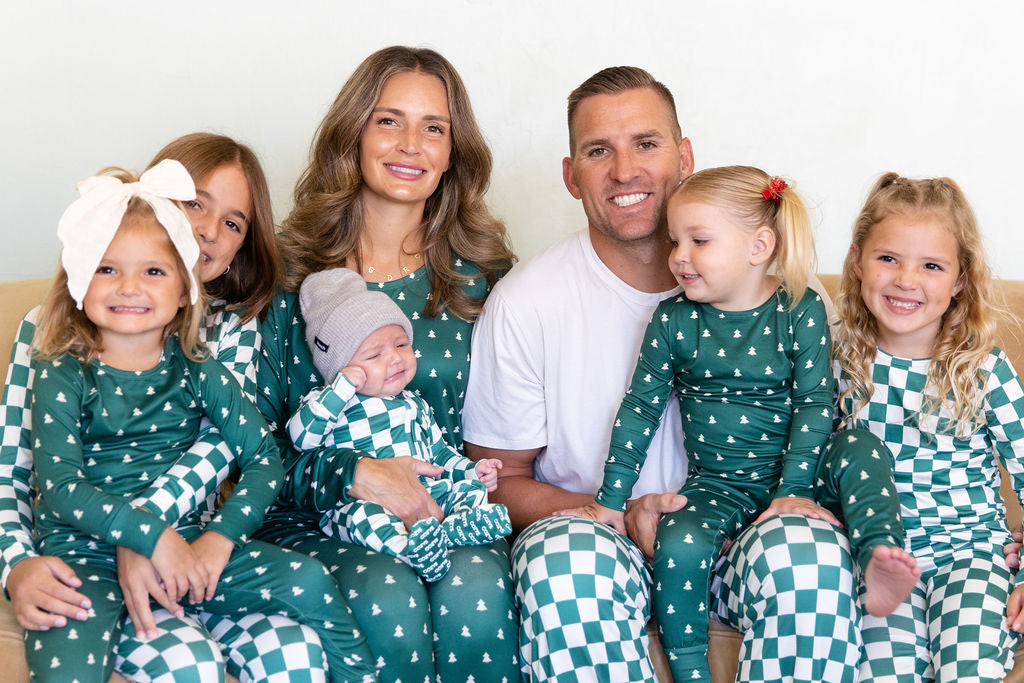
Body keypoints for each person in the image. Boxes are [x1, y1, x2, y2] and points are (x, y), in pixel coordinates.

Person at [463, 66, 864, 682]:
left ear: (685, 157)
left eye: (646, 144)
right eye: (599, 151)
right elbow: (498, 479)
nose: (625, 171)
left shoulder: (788, 298)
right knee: (563, 564)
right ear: (571, 176)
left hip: (748, 533)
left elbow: (830, 428)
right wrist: (620, 512)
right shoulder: (526, 301)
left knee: (808, 556)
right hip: (606, 537)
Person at [558, 166, 918, 680]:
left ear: (759, 246)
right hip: (718, 483)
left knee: (862, 446)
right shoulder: (673, 319)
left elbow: (815, 403)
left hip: (804, 470)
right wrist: (611, 500)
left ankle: (879, 553)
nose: (679, 256)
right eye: (675, 241)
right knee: (677, 542)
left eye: (699, 241)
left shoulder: (799, 308)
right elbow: (640, 409)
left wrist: (793, 490)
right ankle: (690, 668)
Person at [23, 161, 376, 683]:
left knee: (310, 581)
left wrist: (221, 537)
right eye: (106, 269)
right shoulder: (61, 366)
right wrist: (149, 537)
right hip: (80, 558)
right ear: (78, 275)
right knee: (68, 669)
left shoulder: (196, 365)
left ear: (185, 287)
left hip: (187, 541)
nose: (129, 287)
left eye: (153, 272)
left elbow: (263, 457)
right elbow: (60, 487)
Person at [255, 45, 519, 682]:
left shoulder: (485, 279)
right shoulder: (285, 275)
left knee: (476, 595)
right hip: (318, 515)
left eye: (434, 128)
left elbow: (507, 432)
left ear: (453, 153)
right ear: (354, 133)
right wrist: (356, 473)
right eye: (388, 121)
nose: (410, 145)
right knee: (386, 597)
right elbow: (253, 452)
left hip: (447, 508)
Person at [835, 173, 1024, 682]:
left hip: (971, 555)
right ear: (857, 260)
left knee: (968, 667)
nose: (906, 280)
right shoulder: (836, 360)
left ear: (960, 279)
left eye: (932, 266)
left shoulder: (983, 369)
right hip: (881, 563)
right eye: (888, 258)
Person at [285, 267, 510, 583]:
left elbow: (440, 456)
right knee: (361, 517)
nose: (394, 358)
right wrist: (341, 387)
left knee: (467, 490)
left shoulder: (414, 404)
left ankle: (456, 528)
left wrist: (471, 471)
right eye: (375, 354)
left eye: (401, 345)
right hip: (364, 501)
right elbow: (300, 438)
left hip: (427, 496)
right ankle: (411, 550)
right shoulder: (330, 402)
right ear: (342, 367)